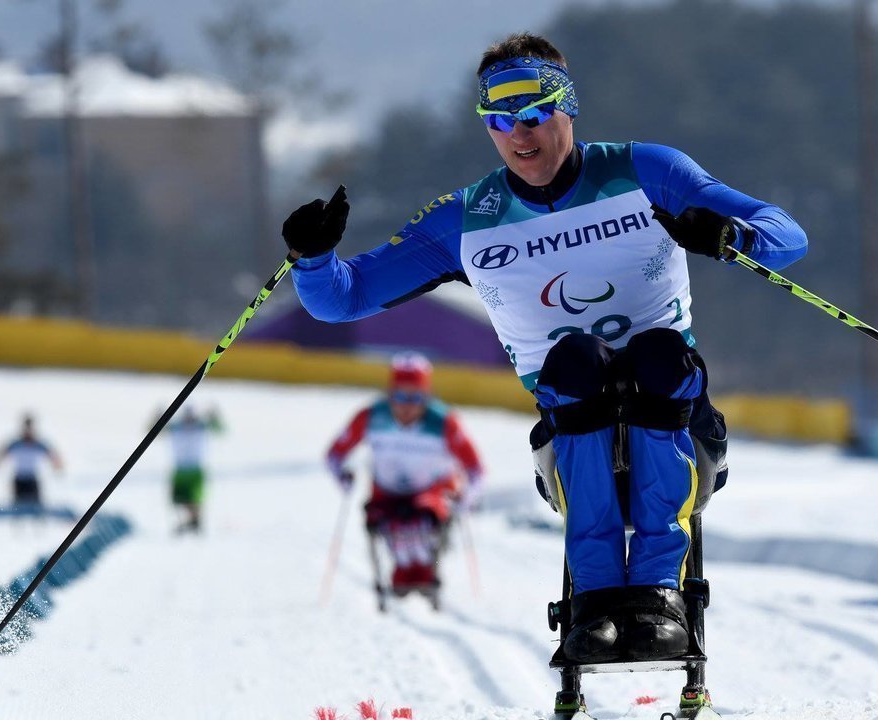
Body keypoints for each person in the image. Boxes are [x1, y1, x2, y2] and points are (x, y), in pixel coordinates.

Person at [283, 33, 807, 662]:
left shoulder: (648, 171)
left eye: (533, 114)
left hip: (680, 415)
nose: (519, 135)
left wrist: (734, 235)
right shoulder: (469, 219)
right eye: (499, 120)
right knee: (577, 363)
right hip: (569, 422)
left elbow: (787, 234)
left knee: (658, 354)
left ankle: (658, 593)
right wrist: (312, 258)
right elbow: (342, 299)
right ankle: (596, 601)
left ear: (567, 106)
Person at [325, 352, 483, 604]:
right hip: (385, 495)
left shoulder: (444, 422)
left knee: (418, 522)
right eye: (399, 396)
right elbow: (334, 455)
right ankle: (402, 575)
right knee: (394, 525)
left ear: (426, 396)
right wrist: (342, 477)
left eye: (416, 397)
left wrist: (467, 497)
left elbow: (475, 469)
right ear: (390, 393)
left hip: (429, 495)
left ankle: (423, 574)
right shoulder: (370, 417)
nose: (407, 405)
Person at [0, 413, 63, 512]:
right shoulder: (16, 443)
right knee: (18, 508)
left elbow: (52, 455)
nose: (28, 430)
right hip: (19, 480)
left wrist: (57, 466)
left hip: (32, 480)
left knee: (37, 508)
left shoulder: (38, 444)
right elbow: (2, 452)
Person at [166, 406, 223, 534]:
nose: (189, 419)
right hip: (180, 468)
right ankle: (193, 521)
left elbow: (220, 429)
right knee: (180, 499)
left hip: (195, 469)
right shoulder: (176, 427)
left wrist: (214, 416)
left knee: (195, 498)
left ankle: (195, 522)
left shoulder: (201, 427)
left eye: (191, 416)